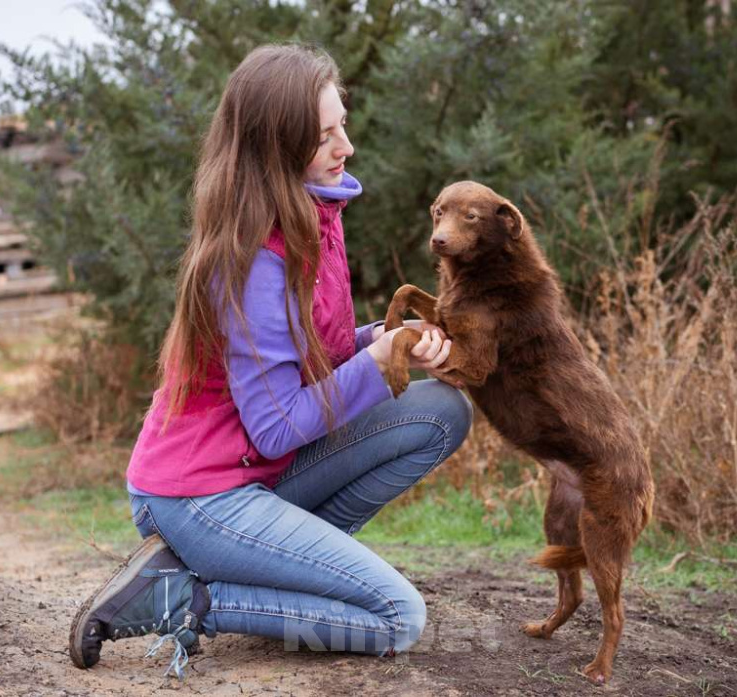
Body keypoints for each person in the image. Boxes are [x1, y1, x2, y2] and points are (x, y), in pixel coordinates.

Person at [68, 43, 473, 678]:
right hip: (199, 494)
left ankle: (278, 571)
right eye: (324, 136)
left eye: (342, 125)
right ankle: (187, 596)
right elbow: (277, 426)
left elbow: (315, 357)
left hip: (257, 473)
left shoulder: (315, 215)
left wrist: (386, 340)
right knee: (398, 617)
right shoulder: (256, 257)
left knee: (442, 411)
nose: (346, 147)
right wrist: (378, 362)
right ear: (276, 148)